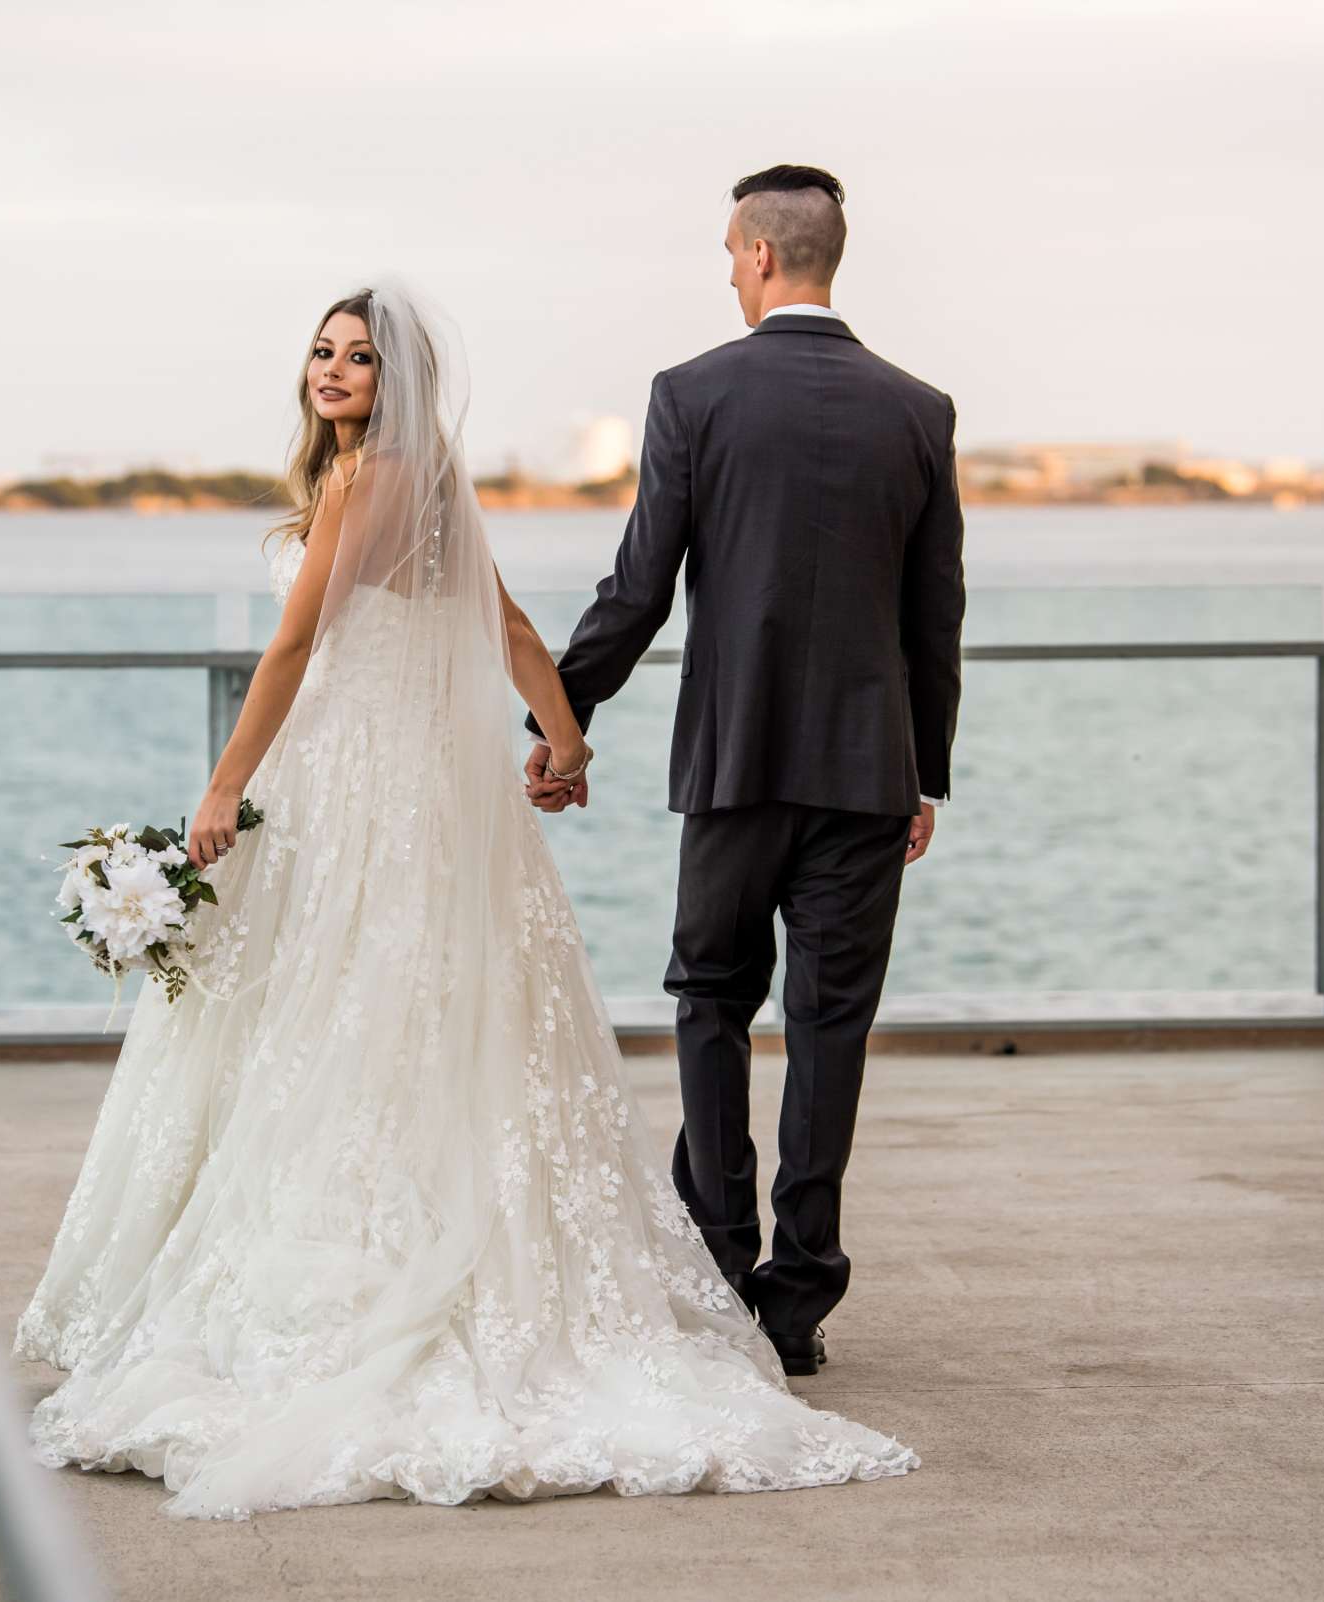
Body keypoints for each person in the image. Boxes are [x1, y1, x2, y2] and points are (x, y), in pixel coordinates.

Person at [11, 280, 916, 1519]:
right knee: (426, 1017)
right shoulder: (431, 476)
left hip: (349, 776)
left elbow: (286, 653)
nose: (333, 372)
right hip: (426, 787)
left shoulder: (364, 481)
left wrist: (221, 788)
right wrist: (563, 739)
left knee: (333, 1018)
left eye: (360, 359)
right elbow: (508, 623)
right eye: (323, 353)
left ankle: (342, 1277)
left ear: (399, 381)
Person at [526, 164, 966, 1379]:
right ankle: (799, 1298)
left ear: (764, 256)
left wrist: (559, 721)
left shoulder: (693, 394)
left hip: (732, 768)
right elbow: (938, 616)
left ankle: (719, 1259)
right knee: (831, 1027)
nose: (727, 270)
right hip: (868, 777)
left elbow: (638, 586)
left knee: (711, 999)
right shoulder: (918, 409)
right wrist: (923, 772)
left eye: (730, 252)